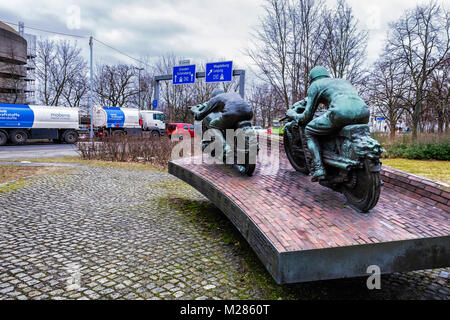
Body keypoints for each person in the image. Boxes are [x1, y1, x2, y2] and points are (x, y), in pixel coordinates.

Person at [286, 66, 370, 182]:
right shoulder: (341, 82)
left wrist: (292, 114)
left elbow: (305, 118)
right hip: (364, 112)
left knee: (309, 130)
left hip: (341, 113)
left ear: (311, 79)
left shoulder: (315, 85)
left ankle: (318, 168)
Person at [189, 89, 254, 167]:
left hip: (232, 113)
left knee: (213, 125)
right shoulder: (233, 94)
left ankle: (225, 147)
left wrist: (194, 110)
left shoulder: (215, 99)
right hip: (249, 112)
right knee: (239, 126)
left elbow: (199, 116)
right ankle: (253, 144)